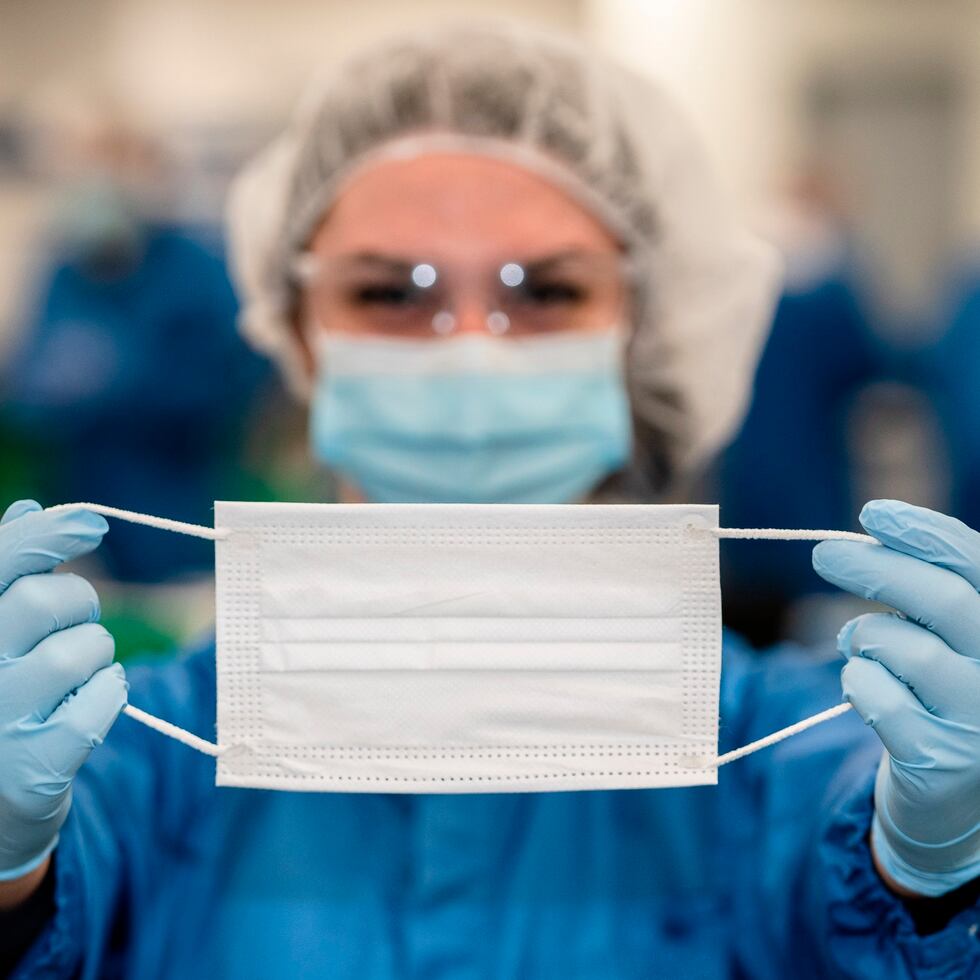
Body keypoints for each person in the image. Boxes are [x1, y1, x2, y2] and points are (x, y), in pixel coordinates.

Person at [1, 22, 978, 979]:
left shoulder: (773, 753)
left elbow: (866, 889)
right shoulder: (151, 757)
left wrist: (932, 861)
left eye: (544, 291)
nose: (469, 342)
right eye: (392, 293)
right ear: (296, 336)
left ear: (640, 331)